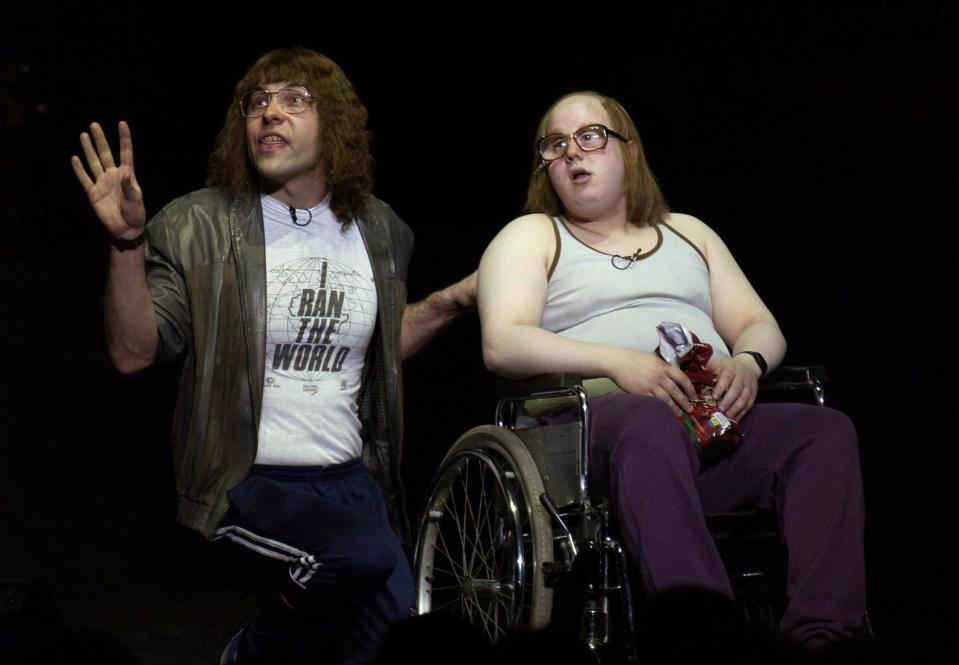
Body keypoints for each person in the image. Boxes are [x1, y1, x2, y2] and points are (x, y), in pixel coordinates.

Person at [71, 48, 475, 664]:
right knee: (354, 559)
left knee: (393, 641)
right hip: (247, 483)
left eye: (293, 99)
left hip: (348, 483)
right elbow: (133, 352)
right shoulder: (198, 222)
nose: (269, 113)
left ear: (333, 121)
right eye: (256, 102)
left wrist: (449, 302)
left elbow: (374, 347)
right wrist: (126, 240)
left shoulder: (381, 230)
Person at [477, 91, 865, 649]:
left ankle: (822, 638)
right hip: (592, 429)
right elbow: (504, 343)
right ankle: (710, 641)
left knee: (823, 433)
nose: (571, 152)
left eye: (591, 136)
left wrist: (748, 364)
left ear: (629, 152)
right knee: (648, 421)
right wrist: (616, 362)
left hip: (706, 423)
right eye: (555, 143)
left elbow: (759, 323)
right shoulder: (534, 236)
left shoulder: (688, 232)